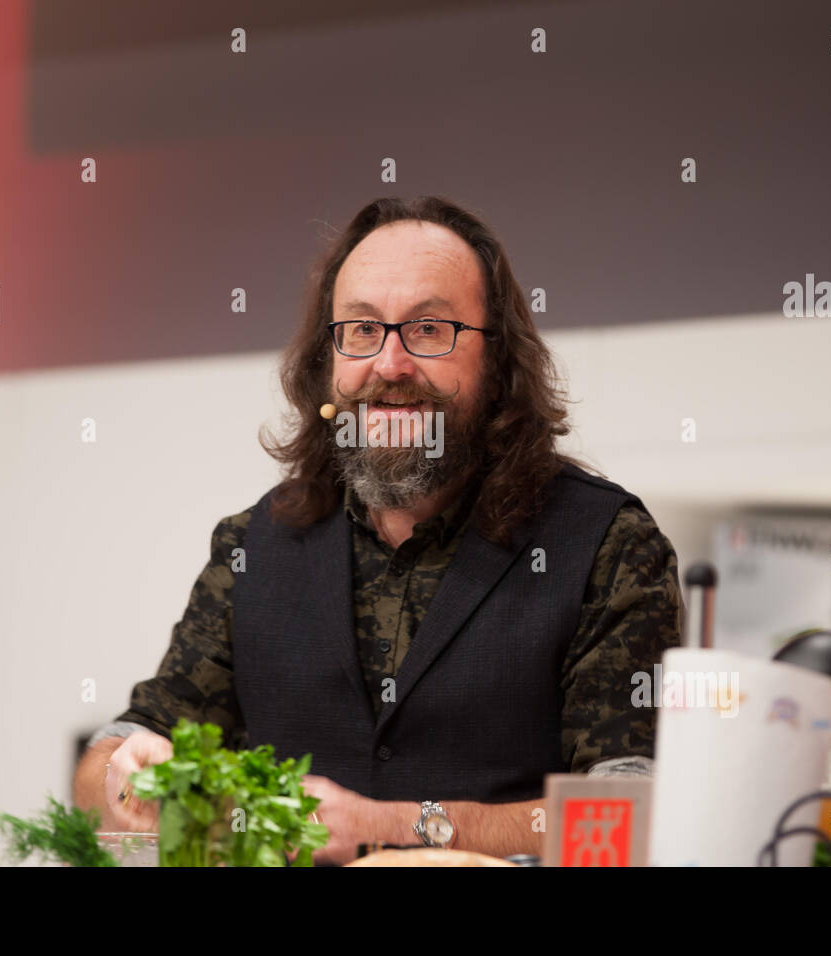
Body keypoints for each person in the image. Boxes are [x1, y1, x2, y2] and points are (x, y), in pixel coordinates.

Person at [73, 196, 683, 864]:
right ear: (326, 359)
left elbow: (628, 816)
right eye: (361, 331)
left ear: (499, 361)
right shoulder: (253, 547)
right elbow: (114, 757)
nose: (389, 366)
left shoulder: (606, 547)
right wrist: (120, 772)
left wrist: (393, 824)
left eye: (428, 329)